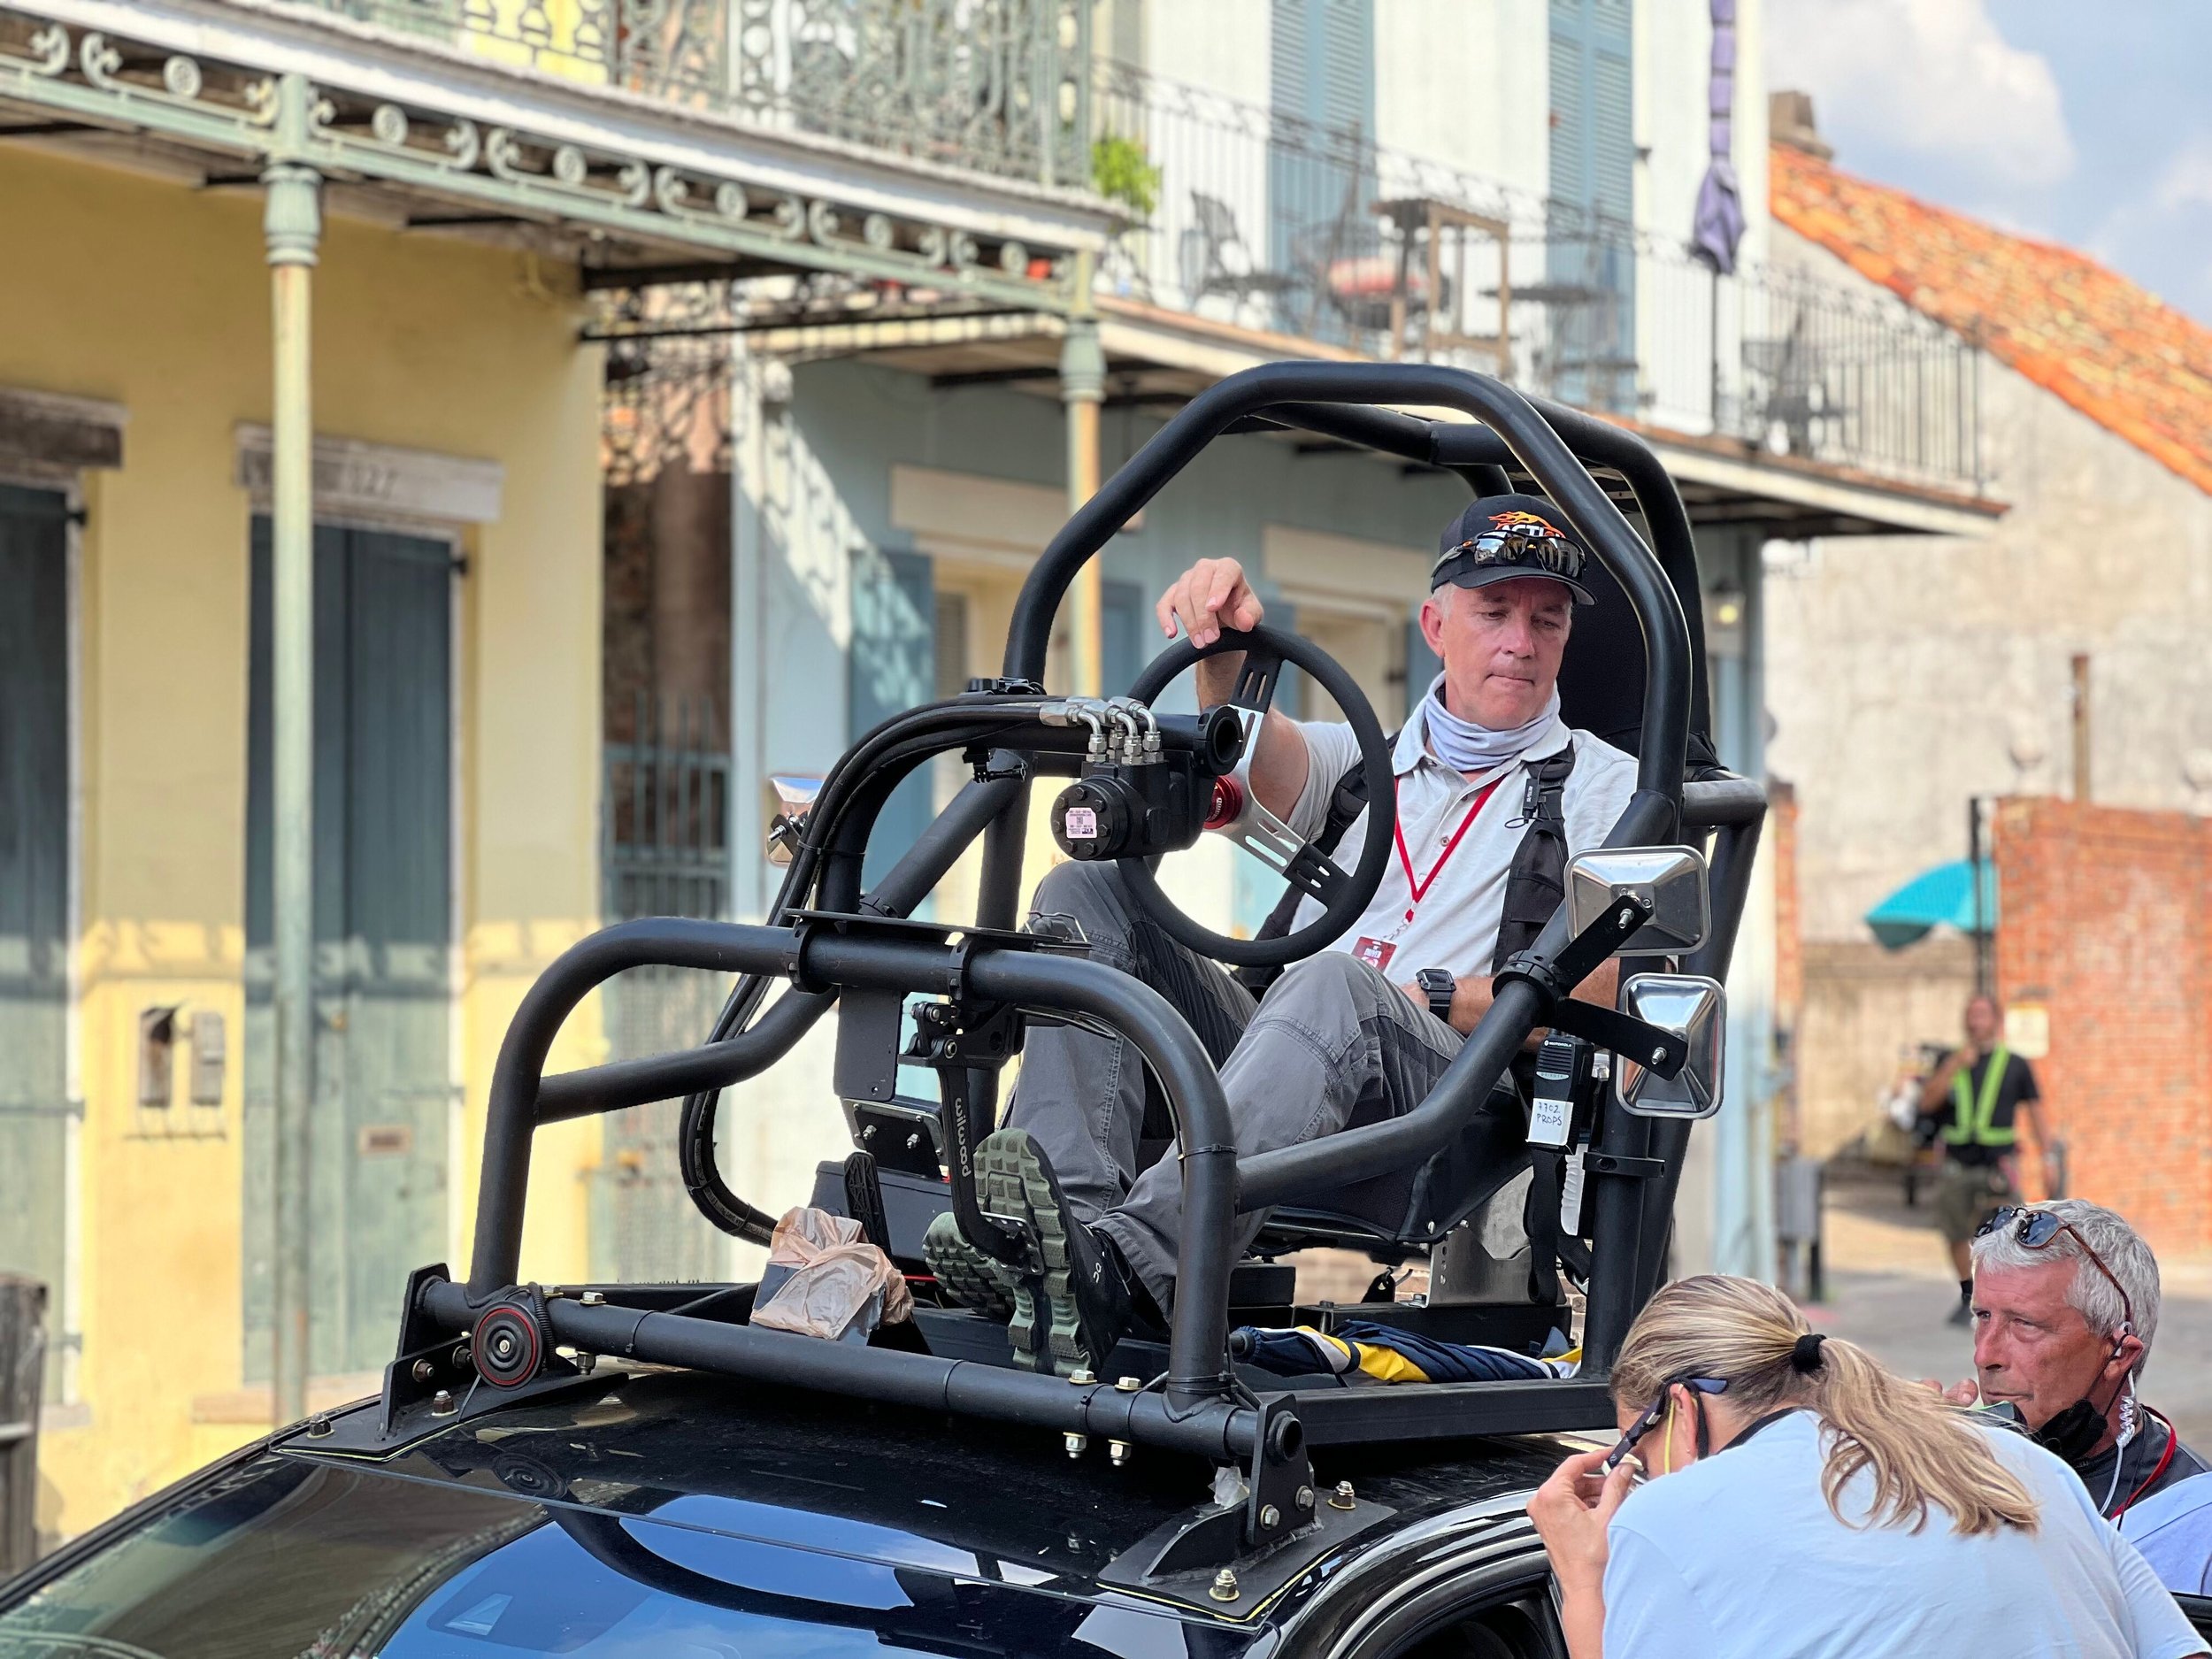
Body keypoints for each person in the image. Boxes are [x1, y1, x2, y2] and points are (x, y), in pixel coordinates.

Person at [924, 495, 1638, 1375]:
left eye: (1546, 621)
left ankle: (1134, 1271)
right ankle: (1065, 1245)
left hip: (1450, 1099)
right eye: (1493, 614)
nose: (1520, 643)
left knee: (1334, 984)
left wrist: (1440, 996)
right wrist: (1219, 647)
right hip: (1289, 1058)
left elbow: (1606, 992)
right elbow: (1245, 753)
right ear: (1434, 624)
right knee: (1088, 888)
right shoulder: (1361, 767)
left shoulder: (1611, 791)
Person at [1526, 1274, 2206, 1659]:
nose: (1639, 1481)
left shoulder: (1670, 1518)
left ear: (1682, 1409)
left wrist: (1583, 1578)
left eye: (1636, 1454)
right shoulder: (2018, 1460)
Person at [1955, 1200, 2208, 1520]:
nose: (1984, 1355)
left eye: (2024, 1323)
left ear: (2119, 1354)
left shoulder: (2194, 1515)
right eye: (1983, 1316)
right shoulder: (1953, 1461)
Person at [1916, 993, 2056, 1324]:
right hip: (1956, 1162)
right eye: (1970, 1015)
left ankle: (2006, 1298)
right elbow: (1926, 1103)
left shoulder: (2016, 1064)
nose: (1975, 1021)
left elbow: (2036, 1113)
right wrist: (1953, 1065)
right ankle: (1969, 1294)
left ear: (1996, 1020)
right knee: (1953, 1232)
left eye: (1981, 1014)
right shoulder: (1950, 1060)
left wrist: (2048, 1156)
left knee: (2009, 1233)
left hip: (1998, 1163)